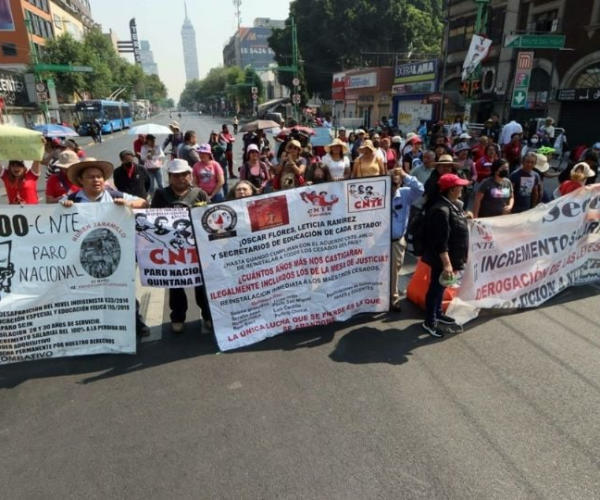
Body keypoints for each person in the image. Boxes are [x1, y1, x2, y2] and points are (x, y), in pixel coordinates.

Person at [59, 158, 149, 336]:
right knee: (91, 293)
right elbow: (54, 220)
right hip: (86, 257)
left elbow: (144, 203)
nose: (96, 180)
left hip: (116, 255)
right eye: (91, 177)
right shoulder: (70, 200)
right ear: (81, 181)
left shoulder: (115, 196)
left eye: (99, 176)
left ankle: (135, 321)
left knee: (123, 288)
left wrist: (129, 205)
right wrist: (63, 207)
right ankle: (99, 327)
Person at [151, 159, 212, 334]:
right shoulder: (160, 195)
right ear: (169, 177)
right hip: (172, 250)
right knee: (175, 284)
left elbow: (210, 218)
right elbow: (153, 222)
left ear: (190, 175)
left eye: (184, 174)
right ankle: (177, 317)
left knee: (202, 285)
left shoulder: (200, 194)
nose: (180, 179)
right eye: (176, 175)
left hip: (198, 250)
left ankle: (208, 315)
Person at [422, 173, 470, 337]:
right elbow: (440, 241)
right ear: (451, 190)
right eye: (459, 186)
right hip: (441, 259)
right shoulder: (440, 210)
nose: (462, 188)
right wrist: (447, 264)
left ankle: (438, 313)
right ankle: (430, 321)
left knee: (442, 286)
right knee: (435, 289)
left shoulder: (451, 205)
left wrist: (465, 216)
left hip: (451, 256)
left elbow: (454, 225)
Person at [390, 168, 425, 312]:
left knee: (394, 272)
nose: (393, 185)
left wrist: (405, 175)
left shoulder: (405, 194)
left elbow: (420, 189)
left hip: (396, 241)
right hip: (378, 242)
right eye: (390, 182)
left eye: (396, 182)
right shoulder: (377, 195)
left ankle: (393, 298)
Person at [209, 130, 229, 197]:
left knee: (224, 182)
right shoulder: (209, 144)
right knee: (215, 183)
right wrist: (212, 142)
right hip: (213, 167)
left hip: (222, 165)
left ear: (219, 136)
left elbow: (223, 149)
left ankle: (226, 197)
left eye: (216, 135)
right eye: (213, 135)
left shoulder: (223, 142)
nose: (215, 136)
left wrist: (217, 142)